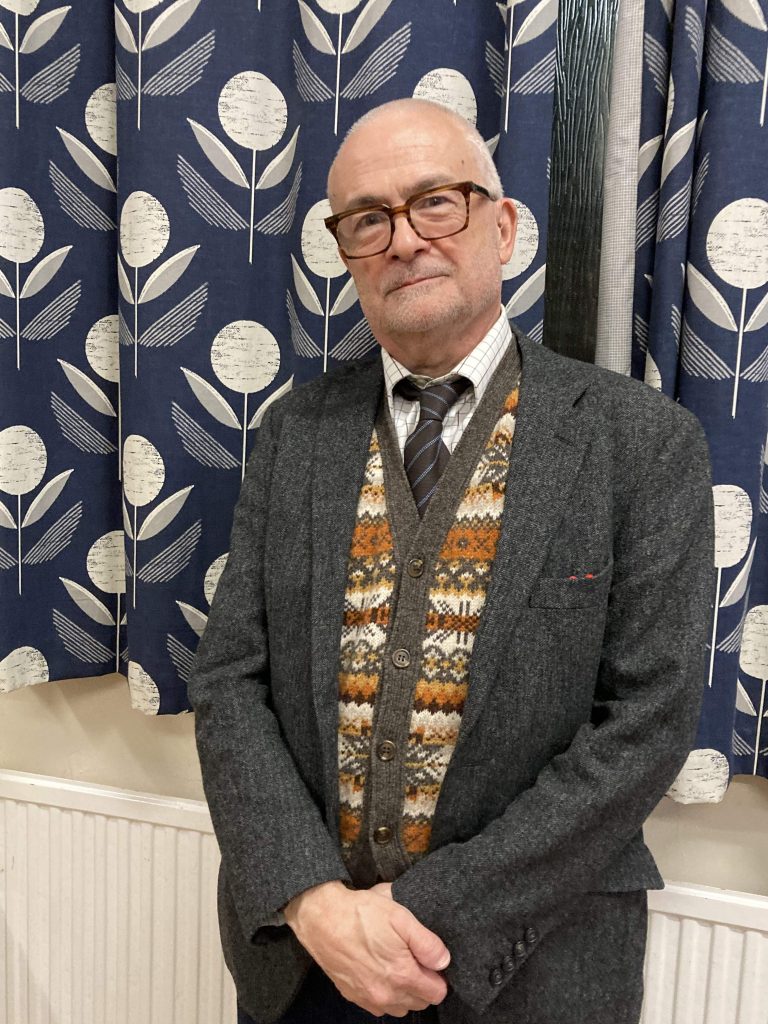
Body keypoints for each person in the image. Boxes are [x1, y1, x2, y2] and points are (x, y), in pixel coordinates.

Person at [188, 98, 714, 1024]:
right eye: (368, 219)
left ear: (502, 227)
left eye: (436, 202)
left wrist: (422, 914)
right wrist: (313, 901)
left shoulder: (642, 442)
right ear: (346, 252)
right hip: (310, 963)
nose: (403, 240)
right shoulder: (294, 433)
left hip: (535, 966)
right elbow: (229, 679)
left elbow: (647, 724)